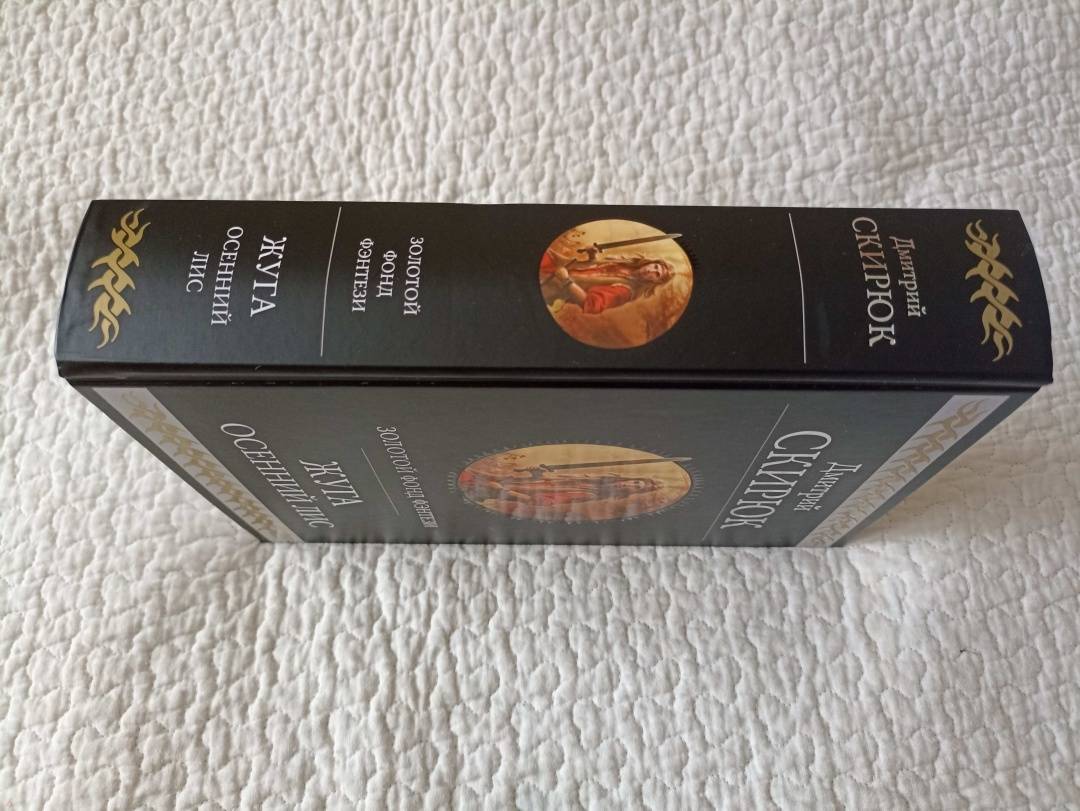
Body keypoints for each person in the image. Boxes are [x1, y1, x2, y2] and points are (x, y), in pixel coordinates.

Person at [540, 245, 675, 314]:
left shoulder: (625, 291)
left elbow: (590, 304)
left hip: (555, 287)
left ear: (655, 282)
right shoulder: (626, 264)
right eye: (655, 266)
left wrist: (566, 280)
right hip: (561, 267)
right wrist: (592, 256)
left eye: (657, 274)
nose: (651, 271)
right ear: (651, 262)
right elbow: (594, 270)